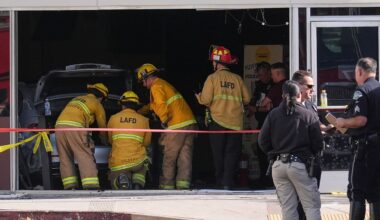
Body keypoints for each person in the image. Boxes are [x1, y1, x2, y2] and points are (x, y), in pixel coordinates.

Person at [259, 80, 323, 220]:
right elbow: (318, 144)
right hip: (300, 165)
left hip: (278, 166)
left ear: (283, 95)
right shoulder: (308, 115)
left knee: (288, 208)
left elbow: (262, 141)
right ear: (299, 94)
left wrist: (273, 153)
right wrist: (309, 155)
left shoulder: (273, 114)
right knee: (311, 206)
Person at [195, 45, 251, 189]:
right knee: (232, 154)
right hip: (235, 123)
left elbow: (206, 100)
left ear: (216, 62)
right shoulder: (237, 79)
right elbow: (247, 99)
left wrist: (199, 97)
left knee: (218, 153)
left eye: (213, 61)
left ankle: (220, 181)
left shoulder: (212, 78)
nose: (212, 64)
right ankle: (228, 182)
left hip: (218, 122)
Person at [136, 63, 197, 190]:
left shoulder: (156, 86)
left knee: (169, 157)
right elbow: (153, 106)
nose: (143, 84)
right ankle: (183, 185)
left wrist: (163, 120)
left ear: (147, 77)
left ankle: (166, 187)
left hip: (176, 126)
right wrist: (139, 112)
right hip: (190, 124)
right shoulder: (164, 84)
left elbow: (160, 104)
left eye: (143, 81)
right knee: (184, 157)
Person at [335, 57, 380, 220]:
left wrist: (342, 121)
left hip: (365, 148)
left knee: (357, 192)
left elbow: (361, 120)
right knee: (376, 193)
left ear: (360, 71)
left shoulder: (362, 90)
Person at [55, 83, 109, 190]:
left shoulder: (77, 99)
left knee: (65, 157)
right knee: (84, 154)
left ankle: (70, 186)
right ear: (102, 97)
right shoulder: (96, 103)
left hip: (58, 127)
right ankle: (91, 185)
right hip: (75, 127)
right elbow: (102, 126)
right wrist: (105, 141)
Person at [107, 91, 151, 190]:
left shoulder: (113, 118)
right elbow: (147, 142)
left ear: (122, 104)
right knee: (143, 164)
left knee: (115, 181)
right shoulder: (144, 120)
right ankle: (138, 183)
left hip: (119, 161)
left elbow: (110, 141)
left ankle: (122, 181)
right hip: (137, 161)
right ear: (136, 105)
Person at [246, 61, 274, 187]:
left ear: (269, 73)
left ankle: (272, 180)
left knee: (271, 153)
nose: (260, 78)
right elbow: (252, 103)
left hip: (273, 125)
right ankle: (263, 179)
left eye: (262, 75)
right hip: (261, 124)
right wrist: (252, 108)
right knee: (260, 151)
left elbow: (271, 107)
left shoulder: (275, 86)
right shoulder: (258, 86)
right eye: (258, 75)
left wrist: (256, 109)